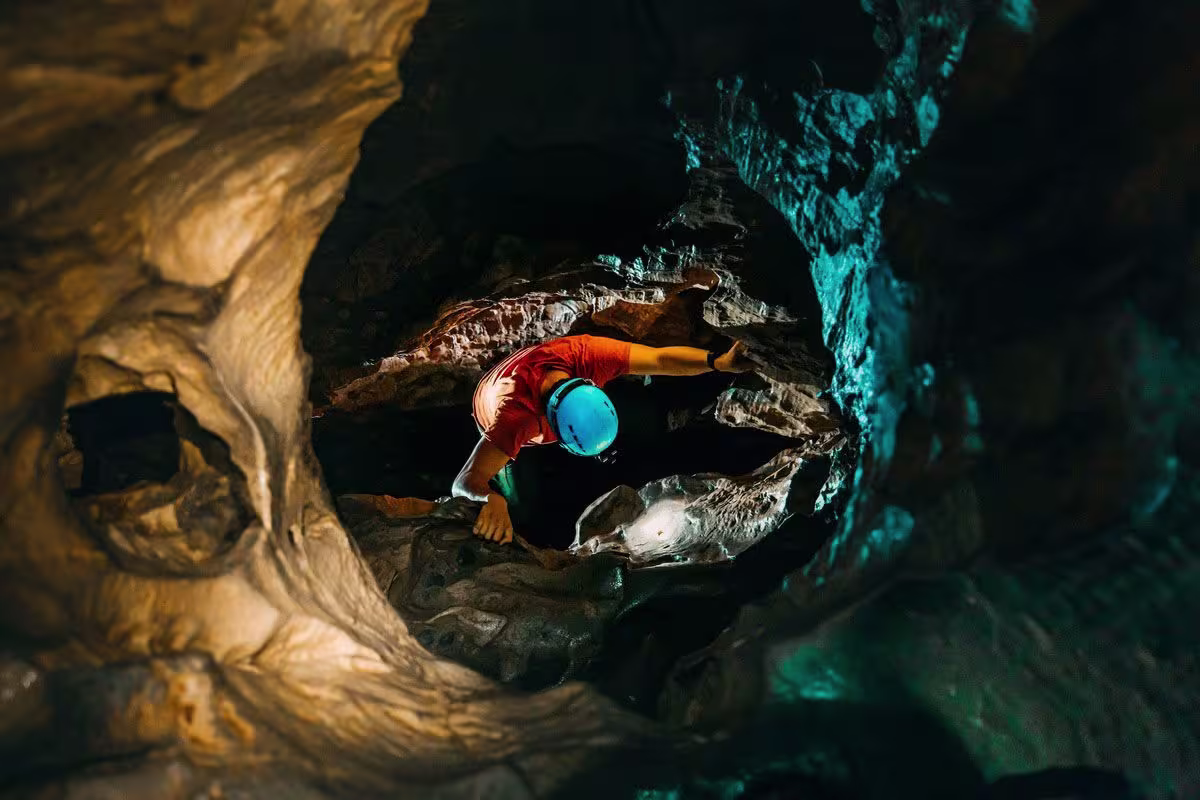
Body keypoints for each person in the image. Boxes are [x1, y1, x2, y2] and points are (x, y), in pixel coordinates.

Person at [452, 335, 754, 545]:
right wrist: (492, 498)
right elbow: (463, 483)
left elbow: (659, 358)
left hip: (540, 384)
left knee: (647, 416)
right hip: (490, 405)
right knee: (520, 507)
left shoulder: (586, 355)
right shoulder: (515, 420)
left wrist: (719, 362)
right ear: (553, 431)